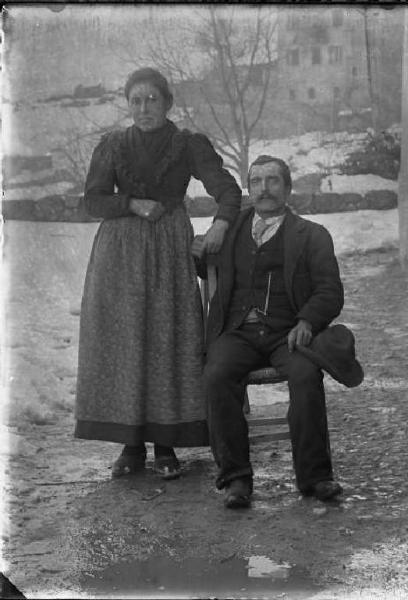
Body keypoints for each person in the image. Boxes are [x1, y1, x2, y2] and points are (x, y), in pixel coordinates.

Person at [75, 67, 241, 480]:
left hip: (168, 250)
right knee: (126, 342)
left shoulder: (187, 144)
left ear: (167, 103)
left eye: (152, 100)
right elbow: (92, 201)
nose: (144, 108)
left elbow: (227, 190)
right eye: (136, 101)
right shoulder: (112, 146)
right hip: (120, 255)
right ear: (128, 105)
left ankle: (166, 443)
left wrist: (221, 223)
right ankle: (131, 446)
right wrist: (130, 204)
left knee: (168, 340)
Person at [200, 155, 363, 508]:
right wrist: (203, 240)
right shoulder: (231, 231)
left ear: (287, 189)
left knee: (305, 374)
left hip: (287, 334)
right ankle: (236, 478)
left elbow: (329, 291)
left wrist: (306, 321)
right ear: (249, 188)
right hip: (238, 332)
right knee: (216, 374)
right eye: (256, 181)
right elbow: (200, 259)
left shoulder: (313, 235)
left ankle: (315, 477)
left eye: (273, 181)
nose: (264, 189)